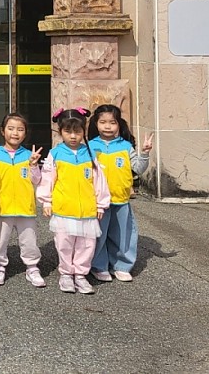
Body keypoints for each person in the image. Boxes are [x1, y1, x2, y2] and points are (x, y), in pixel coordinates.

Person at [37, 108, 110, 295]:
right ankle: (66, 274)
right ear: (60, 131)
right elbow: (47, 179)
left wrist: (101, 204)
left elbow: (99, 180)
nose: (73, 136)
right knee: (64, 243)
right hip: (64, 209)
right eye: (68, 131)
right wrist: (47, 201)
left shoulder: (90, 154)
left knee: (86, 245)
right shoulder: (56, 154)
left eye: (77, 131)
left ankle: (81, 275)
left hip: (87, 209)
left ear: (83, 131)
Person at [87, 104, 154, 283]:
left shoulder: (125, 146)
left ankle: (122, 266)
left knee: (123, 235)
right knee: (98, 235)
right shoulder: (90, 146)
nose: (107, 126)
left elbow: (138, 168)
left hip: (121, 199)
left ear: (119, 124)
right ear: (96, 124)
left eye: (112, 122)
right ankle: (98, 266)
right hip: (97, 202)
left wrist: (145, 153)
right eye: (103, 122)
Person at [0, 112, 46, 288]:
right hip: (2, 207)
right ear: (2, 131)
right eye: (11, 128)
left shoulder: (29, 155)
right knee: (0, 240)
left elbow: (36, 180)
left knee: (29, 241)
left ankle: (32, 267)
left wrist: (34, 165)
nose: (15, 133)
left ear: (25, 133)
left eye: (20, 129)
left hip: (25, 207)